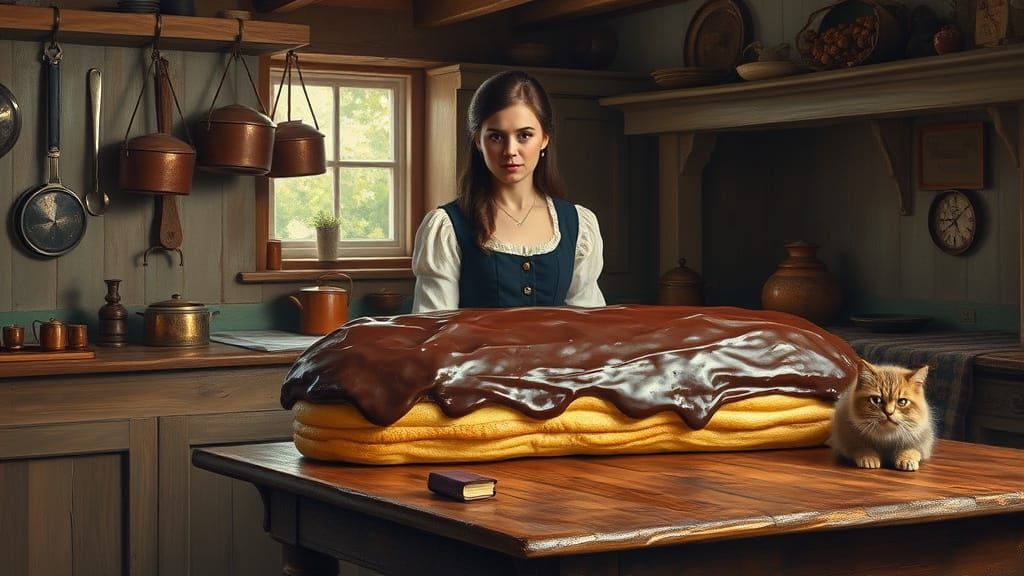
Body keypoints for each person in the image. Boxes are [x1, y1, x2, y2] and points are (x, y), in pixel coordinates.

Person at [411, 70, 606, 313]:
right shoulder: (447, 226)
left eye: (524, 135)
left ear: (545, 139)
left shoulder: (577, 224)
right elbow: (434, 327)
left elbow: (589, 324)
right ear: (478, 141)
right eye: (496, 137)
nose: (510, 150)